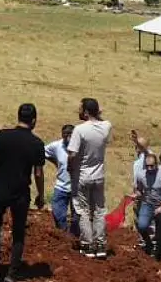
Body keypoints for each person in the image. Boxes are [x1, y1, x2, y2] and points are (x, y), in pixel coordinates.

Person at [0, 103, 45, 282]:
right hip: (20, 193)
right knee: (18, 231)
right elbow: (38, 173)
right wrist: (40, 195)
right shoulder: (37, 144)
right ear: (33, 120)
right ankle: (12, 273)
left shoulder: (3, 135)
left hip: (0, 188)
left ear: (18, 117)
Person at [67, 97, 112, 259]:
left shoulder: (79, 130)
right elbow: (102, 118)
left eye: (80, 109)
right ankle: (100, 244)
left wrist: (69, 166)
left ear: (86, 112)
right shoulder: (106, 127)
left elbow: (72, 154)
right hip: (99, 176)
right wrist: (97, 111)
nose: (78, 111)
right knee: (99, 210)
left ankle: (87, 244)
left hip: (82, 176)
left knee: (83, 211)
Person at [134, 152, 161, 260]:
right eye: (147, 166)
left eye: (152, 166)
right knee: (142, 226)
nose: (149, 169)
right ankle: (149, 244)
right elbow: (138, 189)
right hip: (147, 204)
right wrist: (136, 195)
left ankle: (159, 254)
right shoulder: (141, 175)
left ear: (157, 164)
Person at [43, 124, 76, 234]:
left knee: (77, 217)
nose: (67, 137)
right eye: (65, 134)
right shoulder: (57, 146)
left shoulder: (82, 147)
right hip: (61, 186)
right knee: (57, 212)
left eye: (70, 134)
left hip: (78, 188)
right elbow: (42, 152)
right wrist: (55, 162)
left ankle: (75, 237)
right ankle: (64, 234)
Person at [130, 130, 151, 245]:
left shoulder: (148, 156)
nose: (136, 147)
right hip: (138, 194)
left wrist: (137, 141)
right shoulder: (137, 162)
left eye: (138, 145)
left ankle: (151, 242)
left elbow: (145, 150)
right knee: (138, 218)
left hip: (147, 195)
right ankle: (142, 241)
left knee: (147, 220)